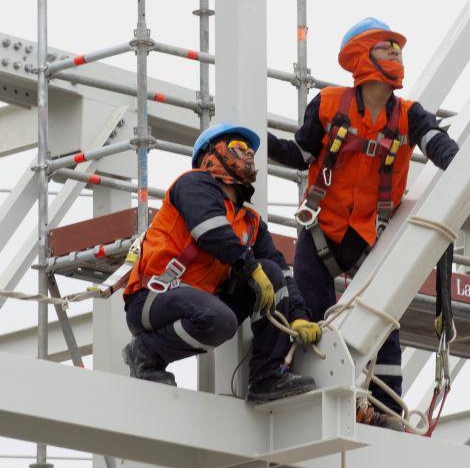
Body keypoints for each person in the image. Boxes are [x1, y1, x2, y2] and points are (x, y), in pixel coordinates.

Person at [268, 18, 458, 428]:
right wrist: (255, 140)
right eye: (386, 47)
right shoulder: (328, 105)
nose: (396, 54)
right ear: (361, 56)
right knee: (308, 315)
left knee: (384, 328)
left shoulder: (409, 116)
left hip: (371, 239)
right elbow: (302, 154)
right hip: (321, 234)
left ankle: (385, 411)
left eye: (398, 48)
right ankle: (294, 390)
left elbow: (435, 142)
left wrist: (462, 162)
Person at [122, 123, 322, 403]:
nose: (248, 155)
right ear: (210, 156)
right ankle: (146, 353)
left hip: (199, 302)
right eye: (238, 148)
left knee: (273, 274)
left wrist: (299, 315)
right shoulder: (193, 183)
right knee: (220, 319)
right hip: (153, 298)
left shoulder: (251, 223)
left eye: (249, 150)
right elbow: (211, 232)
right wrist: (251, 268)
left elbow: (283, 271)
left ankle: (266, 376)